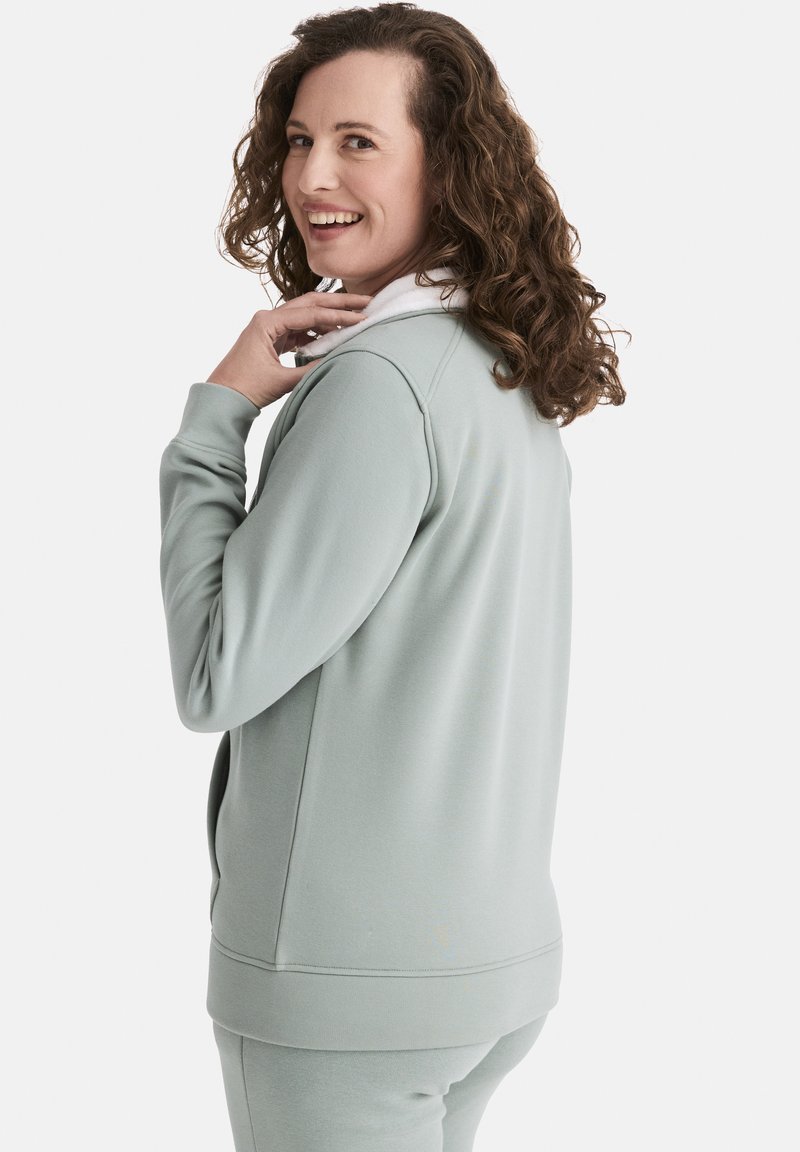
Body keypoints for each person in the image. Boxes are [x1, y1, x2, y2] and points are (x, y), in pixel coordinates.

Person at [158, 3, 627, 1149]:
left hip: (346, 994)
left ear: (446, 165)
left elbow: (214, 674)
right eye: (298, 139)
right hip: (483, 971)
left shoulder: (378, 384)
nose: (310, 175)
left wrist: (215, 418)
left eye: (356, 141)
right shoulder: (496, 363)